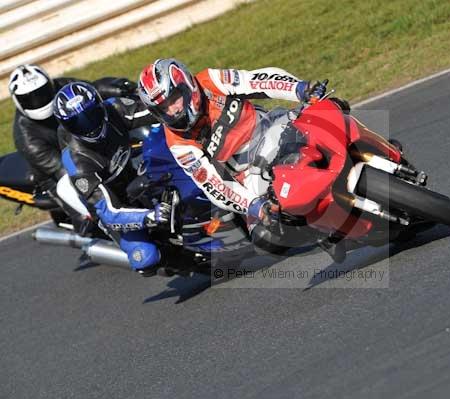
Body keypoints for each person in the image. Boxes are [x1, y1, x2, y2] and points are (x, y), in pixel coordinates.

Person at [136, 58, 344, 258]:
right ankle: (320, 231)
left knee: (327, 112)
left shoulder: (210, 81)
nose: (173, 110)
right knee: (266, 239)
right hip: (250, 175)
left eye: (174, 99)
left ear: (186, 86)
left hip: (273, 131)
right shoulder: (177, 142)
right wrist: (253, 204)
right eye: (164, 108)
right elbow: (213, 184)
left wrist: (300, 90)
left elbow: (258, 80)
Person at [53, 81, 170, 276]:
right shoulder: (76, 160)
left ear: (101, 106)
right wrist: (148, 217)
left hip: (132, 174)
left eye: (91, 115)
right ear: (67, 126)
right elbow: (108, 211)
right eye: (77, 123)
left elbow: (158, 111)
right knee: (145, 257)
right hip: (112, 201)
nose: (88, 126)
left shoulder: (115, 108)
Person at [8, 64, 137, 225]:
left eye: (42, 93)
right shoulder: (26, 136)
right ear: (17, 101)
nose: (38, 100)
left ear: (51, 84)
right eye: (29, 98)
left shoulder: (62, 88)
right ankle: (97, 219)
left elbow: (90, 91)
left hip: (87, 140)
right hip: (60, 170)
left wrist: (119, 87)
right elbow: (66, 167)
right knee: (67, 184)